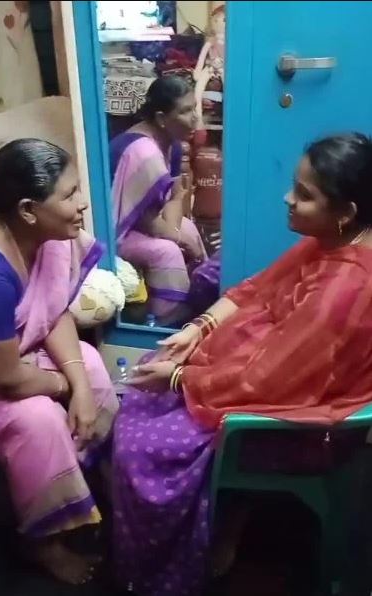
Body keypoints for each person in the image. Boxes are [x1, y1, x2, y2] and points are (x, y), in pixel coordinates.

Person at [111, 133, 372, 595]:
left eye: (304, 194)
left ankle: (158, 569)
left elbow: (266, 382)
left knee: (140, 447)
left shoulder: (346, 287)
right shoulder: (331, 242)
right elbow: (256, 289)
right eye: (294, 185)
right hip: (258, 370)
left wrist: (179, 378)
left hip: (295, 424)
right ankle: (219, 511)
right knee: (158, 367)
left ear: (346, 212)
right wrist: (198, 329)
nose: (287, 198)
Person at [0, 139, 119, 584]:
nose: (82, 203)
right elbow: (3, 376)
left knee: (90, 364)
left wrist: (81, 384)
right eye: (69, 195)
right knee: (35, 420)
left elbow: (52, 311)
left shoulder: (46, 237)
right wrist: (65, 386)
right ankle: (42, 540)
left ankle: (94, 480)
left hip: (14, 356)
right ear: (28, 209)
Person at [109, 76, 207, 320]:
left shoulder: (172, 145)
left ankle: (201, 303)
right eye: (185, 111)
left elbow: (175, 197)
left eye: (194, 108)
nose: (195, 118)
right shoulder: (144, 152)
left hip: (145, 221)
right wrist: (177, 239)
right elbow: (145, 219)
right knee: (166, 252)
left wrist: (177, 232)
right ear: (162, 119)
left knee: (189, 229)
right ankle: (168, 322)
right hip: (116, 229)